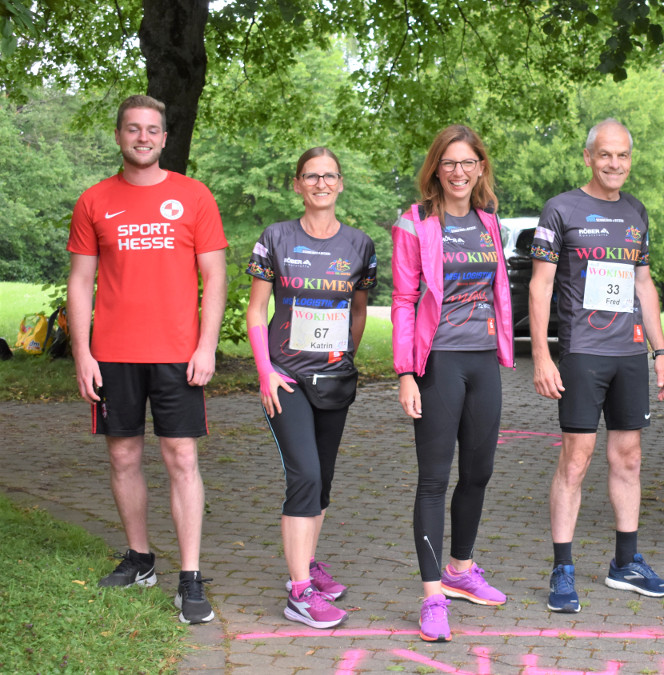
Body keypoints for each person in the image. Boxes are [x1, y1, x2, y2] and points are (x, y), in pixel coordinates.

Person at [67, 94, 226, 624]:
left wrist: (206, 346)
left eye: (152, 130)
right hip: (113, 355)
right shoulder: (94, 201)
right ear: (119, 136)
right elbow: (81, 281)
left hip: (179, 356)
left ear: (163, 137)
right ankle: (140, 559)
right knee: (123, 457)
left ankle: (190, 577)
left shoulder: (193, 196)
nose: (142, 137)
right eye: (132, 129)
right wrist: (83, 352)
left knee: (181, 457)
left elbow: (215, 277)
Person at [529, 118, 664, 613]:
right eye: (605, 155)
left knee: (629, 457)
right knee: (576, 458)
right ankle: (563, 569)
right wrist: (543, 354)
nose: (615, 164)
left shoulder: (636, 211)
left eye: (623, 156)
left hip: (629, 353)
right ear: (589, 157)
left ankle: (625, 563)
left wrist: (662, 352)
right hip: (582, 353)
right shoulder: (561, 209)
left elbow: (644, 285)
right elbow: (540, 286)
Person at [392, 125, 514, 642]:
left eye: (468, 162)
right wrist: (405, 373)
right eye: (449, 163)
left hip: (483, 359)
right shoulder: (415, 222)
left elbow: (499, 289)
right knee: (434, 478)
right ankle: (431, 596)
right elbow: (402, 299)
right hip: (439, 361)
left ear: (480, 167)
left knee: (480, 472)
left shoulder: (490, 222)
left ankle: (460, 571)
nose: (459, 172)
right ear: (436, 169)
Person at [246, 147, 377, 629]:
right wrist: (265, 371)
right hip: (286, 378)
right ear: (297, 184)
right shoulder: (276, 238)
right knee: (303, 476)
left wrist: (347, 357)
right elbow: (256, 309)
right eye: (310, 176)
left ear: (341, 183)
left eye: (329, 176)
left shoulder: (360, 245)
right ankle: (300, 592)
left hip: (334, 378)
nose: (321, 183)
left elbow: (359, 310)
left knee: (321, 479)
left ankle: (308, 562)